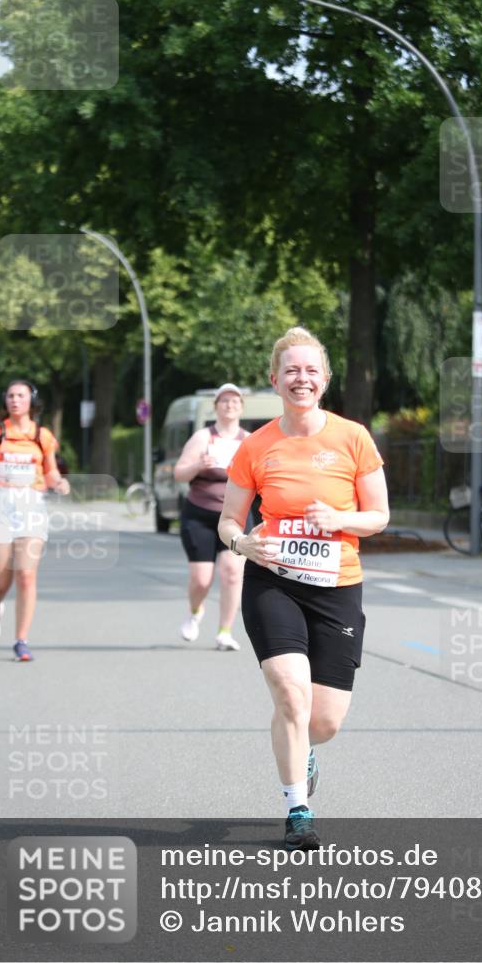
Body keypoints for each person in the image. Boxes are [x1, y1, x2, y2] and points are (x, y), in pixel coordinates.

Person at [218, 327, 389, 850]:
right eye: (291, 370)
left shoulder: (353, 437)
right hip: (274, 583)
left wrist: (340, 516)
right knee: (290, 693)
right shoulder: (256, 444)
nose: (301, 378)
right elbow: (228, 520)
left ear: (325, 380)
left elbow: (379, 516)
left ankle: (304, 750)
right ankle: (298, 809)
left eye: (311, 370)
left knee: (325, 721)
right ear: (274, 379)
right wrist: (244, 545)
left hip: (337, 586)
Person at [0, 380, 70, 661]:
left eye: (20, 395)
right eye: (10, 396)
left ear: (31, 401)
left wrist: (60, 483)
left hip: (31, 505)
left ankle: (21, 640)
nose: (14, 400)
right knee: (2, 581)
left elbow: (50, 472)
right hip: (1, 504)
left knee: (26, 575)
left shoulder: (42, 436)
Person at [174, 383, 250, 651]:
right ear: (216, 406)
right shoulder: (203, 437)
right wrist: (198, 464)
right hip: (200, 516)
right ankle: (195, 611)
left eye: (235, 401)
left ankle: (225, 631)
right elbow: (179, 473)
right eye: (224, 401)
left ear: (241, 407)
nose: (230, 405)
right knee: (202, 579)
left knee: (232, 573)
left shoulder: (249, 440)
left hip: (236, 517)